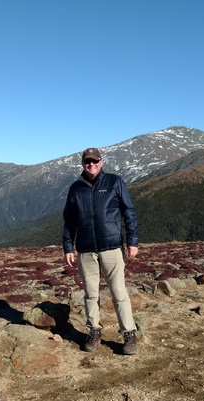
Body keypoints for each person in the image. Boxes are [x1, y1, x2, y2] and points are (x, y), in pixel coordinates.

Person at [62, 147, 140, 355]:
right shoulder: (75, 188)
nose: (91, 165)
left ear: (101, 162)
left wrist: (132, 241)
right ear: (83, 164)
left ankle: (129, 333)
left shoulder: (115, 182)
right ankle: (94, 330)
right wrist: (68, 246)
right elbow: (69, 220)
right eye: (87, 162)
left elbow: (129, 212)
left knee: (119, 292)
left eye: (95, 161)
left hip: (112, 247)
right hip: (86, 250)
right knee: (90, 294)